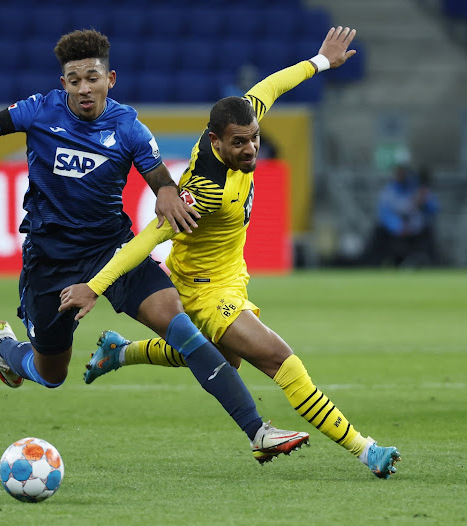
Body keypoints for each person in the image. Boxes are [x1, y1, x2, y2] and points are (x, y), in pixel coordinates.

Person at [0, 29, 309, 463]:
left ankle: (258, 432)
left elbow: (159, 180)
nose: (84, 88)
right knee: (51, 374)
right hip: (50, 259)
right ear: (64, 84)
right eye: (74, 80)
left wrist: (168, 192)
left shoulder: (128, 127)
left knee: (182, 326)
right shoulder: (39, 110)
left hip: (111, 248)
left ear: (109, 80)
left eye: (92, 77)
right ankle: (7, 352)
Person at [59, 27, 402, 479]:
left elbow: (271, 86)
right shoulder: (201, 191)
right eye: (239, 143)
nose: (251, 148)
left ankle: (122, 352)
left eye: (255, 138)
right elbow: (145, 240)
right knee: (279, 359)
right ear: (215, 142)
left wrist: (320, 62)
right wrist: (95, 287)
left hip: (230, 274)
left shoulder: (241, 118)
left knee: (223, 357)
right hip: (203, 291)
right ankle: (366, 449)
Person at [364, 163, 439, 267]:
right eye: (399, 173)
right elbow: (385, 213)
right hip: (396, 231)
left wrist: (425, 200)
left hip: (416, 230)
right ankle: (374, 264)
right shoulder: (388, 192)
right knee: (378, 232)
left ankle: (428, 262)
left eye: (404, 173)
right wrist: (398, 227)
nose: (402, 176)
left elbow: (434, 209)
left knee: (428, 232)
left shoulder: (417, 189)